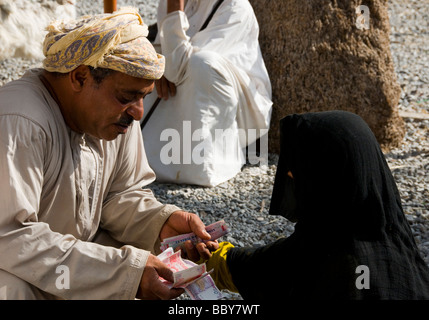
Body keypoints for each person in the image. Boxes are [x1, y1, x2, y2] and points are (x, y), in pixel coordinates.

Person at [0, 7, 218, 300]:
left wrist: (161, 222)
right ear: (79, 77)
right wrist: (125, 272)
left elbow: (118, 195)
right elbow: (10, 237)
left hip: (64, 262)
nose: (139, 112)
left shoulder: (114, 118)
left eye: (143, 97)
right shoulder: (20, 121)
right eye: (127, 97)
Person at [205, 111, 429, 299]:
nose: (289, 174)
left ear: (327, 177)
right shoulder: (404, 261)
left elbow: (272, 271)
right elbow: (264, 265)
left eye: (300, 168)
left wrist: (203, 261)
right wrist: (216, 257)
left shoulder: (323, 263)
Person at [141, 0, 272, 187]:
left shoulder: (235, 7)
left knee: (202, 64)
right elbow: (165, 55)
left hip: (244, 109)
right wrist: (160, 63)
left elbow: (179, 68)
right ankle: (155, 159)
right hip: (184, 78)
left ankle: (212, 162)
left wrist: (174, 13)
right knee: (141, 69)